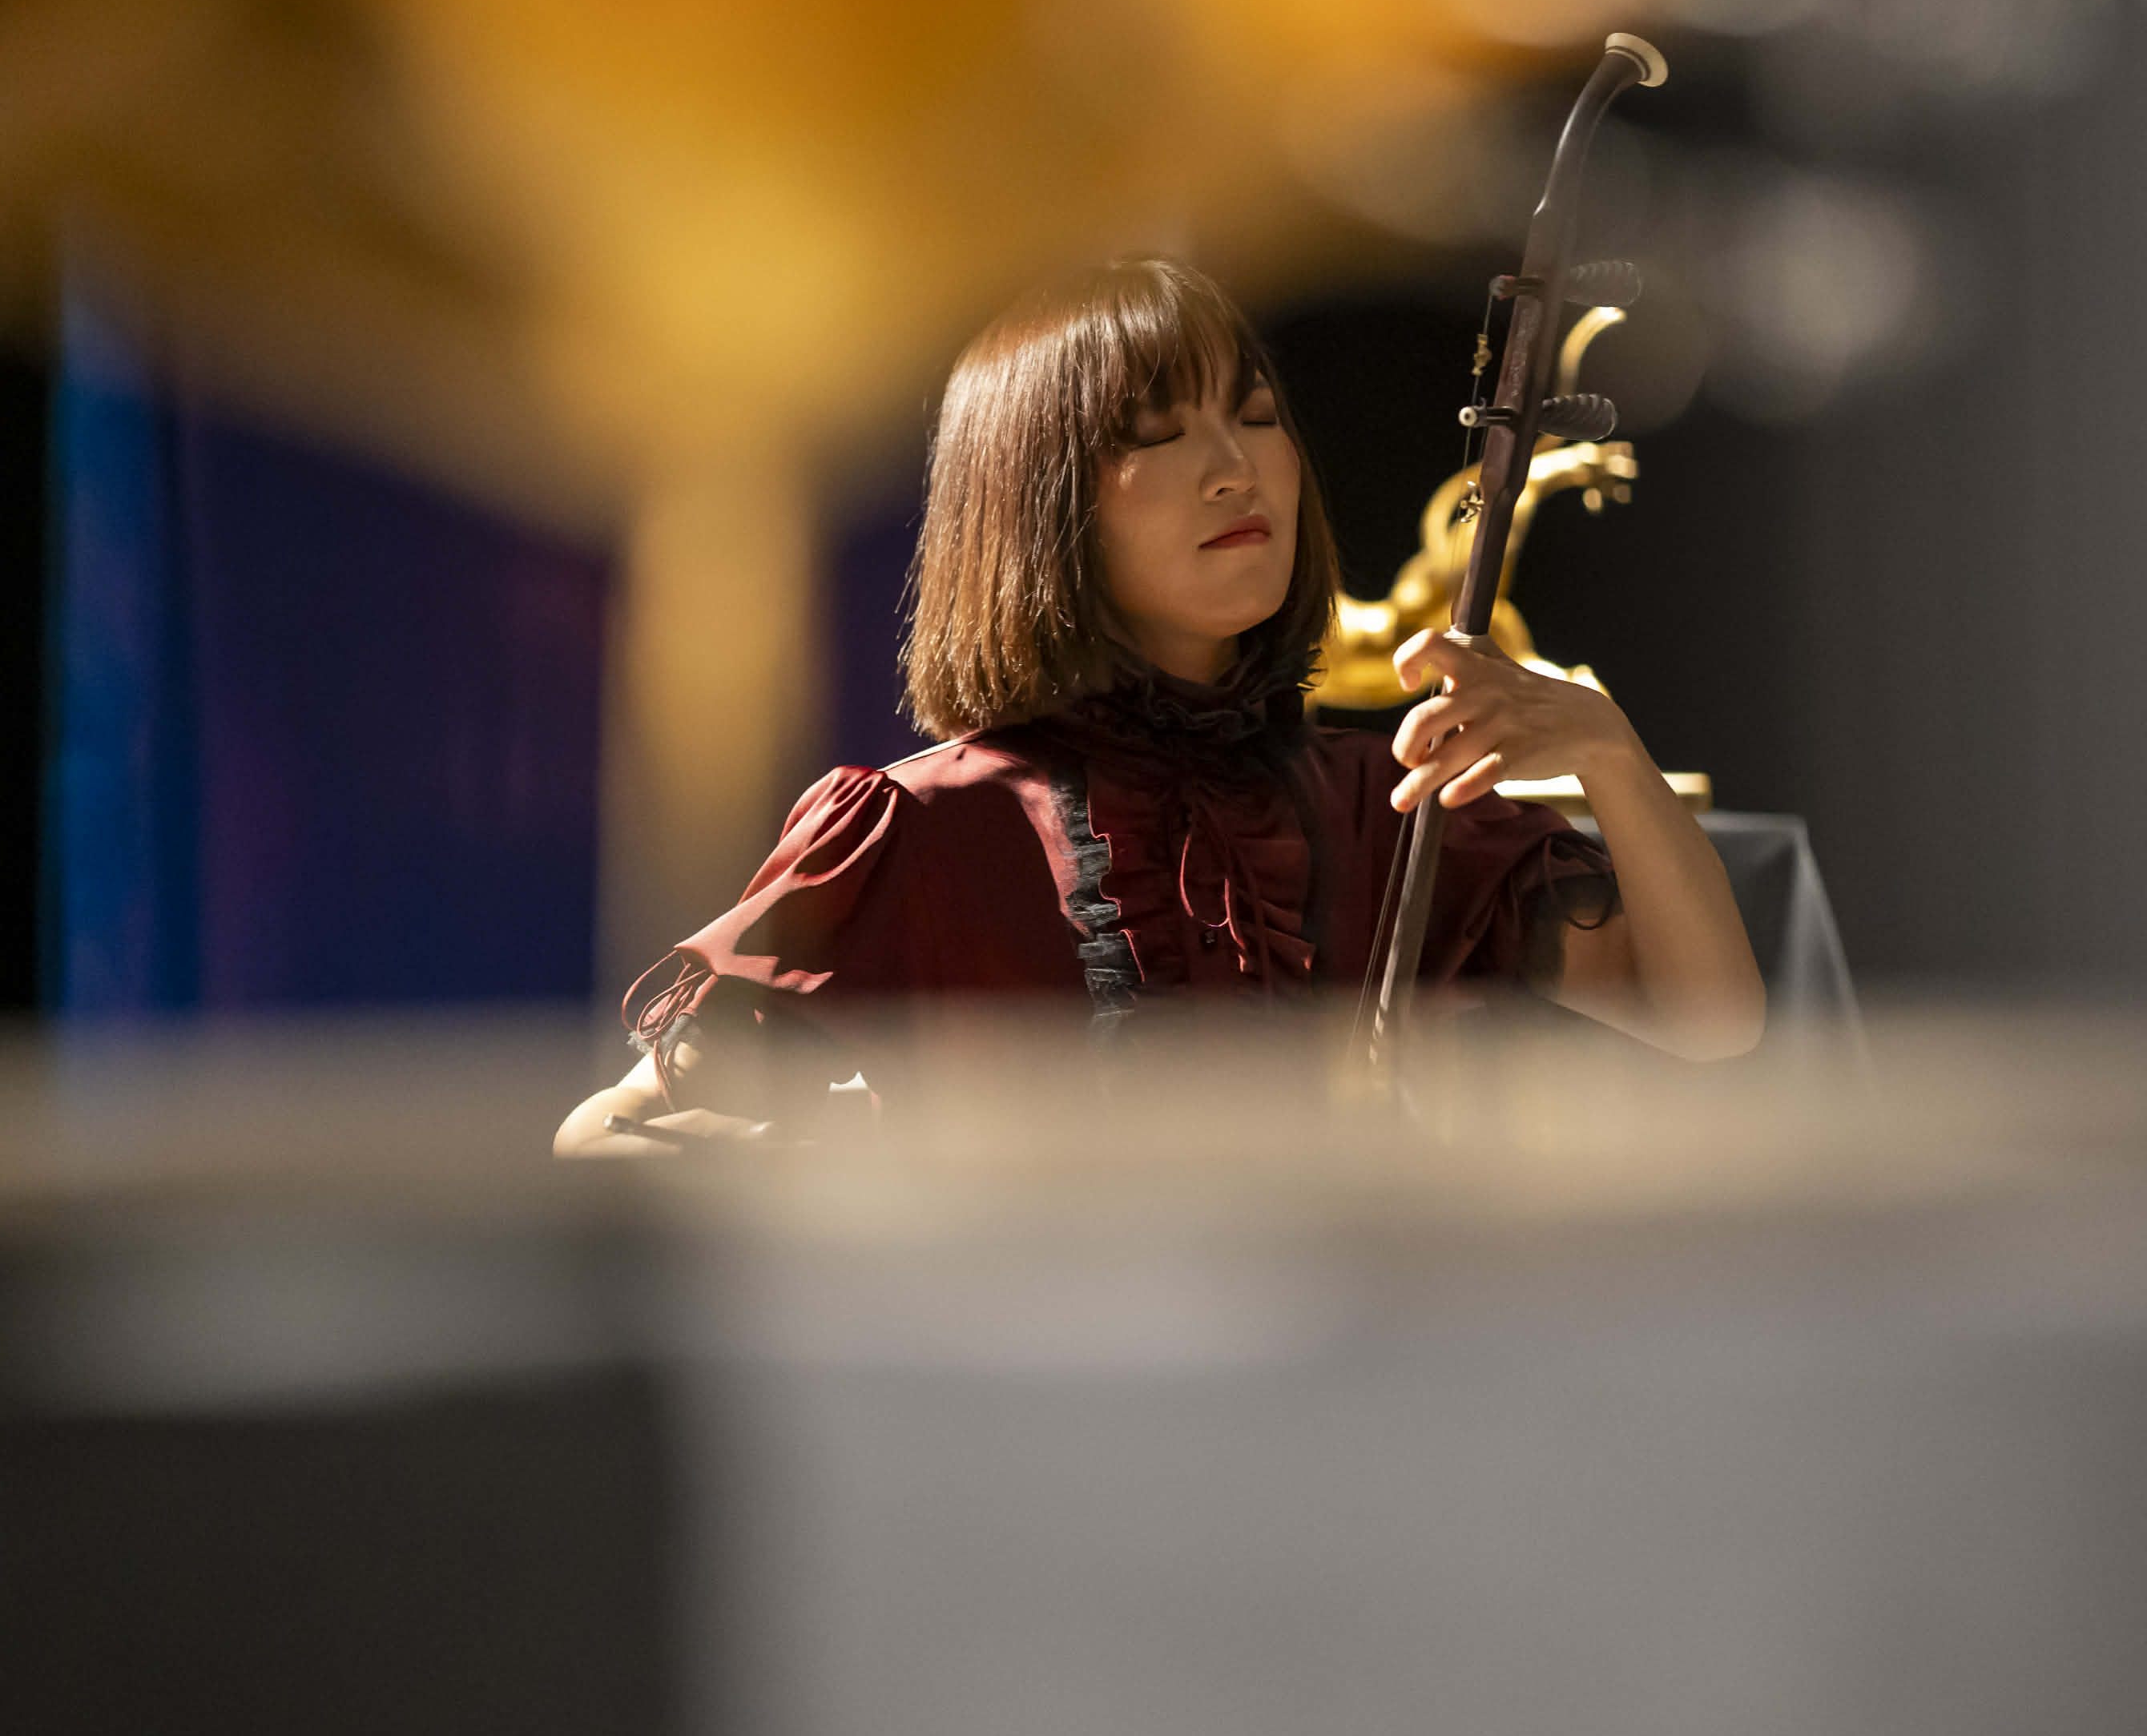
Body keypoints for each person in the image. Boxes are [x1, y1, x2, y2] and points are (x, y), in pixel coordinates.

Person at [557, 257, 1761, 1154]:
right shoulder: (923, 827)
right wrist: (851, 1155)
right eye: (1155, 436)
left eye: (1256, 415)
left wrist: (1607, 752)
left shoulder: (1383, 804)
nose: (1236, 468)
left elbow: (1712, 1026)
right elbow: (606, 1134)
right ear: (1038, 501)